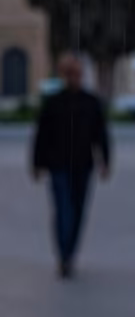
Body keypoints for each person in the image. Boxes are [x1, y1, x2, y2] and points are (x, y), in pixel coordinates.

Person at [30, 54, 110, 279]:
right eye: (70, 74)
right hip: (58, 166)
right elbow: (41, 136)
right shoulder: (53, 103)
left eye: (77, 74)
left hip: (84, 165)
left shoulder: (91, 102)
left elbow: (101, 134)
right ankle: (63, 256)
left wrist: (105, 161)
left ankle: (70, 253)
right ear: (64, 76)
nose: (75, 78)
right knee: (63, 210)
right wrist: (37, 164)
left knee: (78, 212)